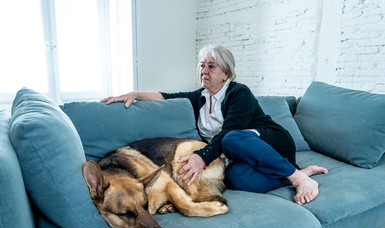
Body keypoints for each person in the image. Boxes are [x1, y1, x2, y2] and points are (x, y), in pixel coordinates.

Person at [101, 45, 328, 205]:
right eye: (202, 66)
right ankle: (294, 172)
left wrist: (203, 156)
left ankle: (299, 180)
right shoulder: (200, 97)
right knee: (233, 178)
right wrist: (135, 93)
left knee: (232, 138)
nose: (204, 71)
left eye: (211, 66)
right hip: (244, 159)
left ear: (225, 73)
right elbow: (166, 96)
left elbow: (230, 132)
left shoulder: (239, 93)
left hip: (271, 143)